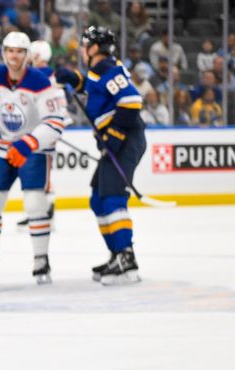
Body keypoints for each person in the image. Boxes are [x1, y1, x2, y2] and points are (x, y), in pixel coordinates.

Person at [0, 32, 66, 285]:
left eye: (19, 51)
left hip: (32, 151)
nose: (14, 56)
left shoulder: (40, 81)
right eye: (10, 51)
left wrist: (28, 143)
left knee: (35, 204)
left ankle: (41, 260)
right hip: (2, 149)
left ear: (27, 55)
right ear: (4, 52)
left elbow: (55, 122)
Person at [56, 26, 146, 285]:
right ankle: (116, 254)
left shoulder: (108, 69)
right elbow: (97, 89)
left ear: (94, 48)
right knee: (97, 198)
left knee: (112, 198)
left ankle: (127, 257)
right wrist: (75, 79)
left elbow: (131, 102)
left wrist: (114, 135)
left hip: (126, 140)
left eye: (84, 46)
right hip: (119, 141)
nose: (81, 51)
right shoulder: (100, 70)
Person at [16, 39, 67, 229]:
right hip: (45, 129)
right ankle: (40, 211)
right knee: (40, 170)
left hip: (42, 130)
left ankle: (44, 213)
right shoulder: (52, 75)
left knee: (40, 170)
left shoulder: (39, 76)